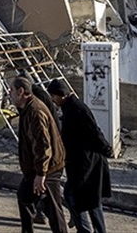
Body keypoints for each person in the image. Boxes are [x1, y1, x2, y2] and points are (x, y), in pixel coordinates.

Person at [46, 79, 111, 233]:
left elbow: (94, 132)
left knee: (74, 196)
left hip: (87, 162)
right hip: (81, 162)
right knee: (90, 200)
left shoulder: (77, 109)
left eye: (54, 97)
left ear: (61, 95)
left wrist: (107, 149)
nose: (53, 101)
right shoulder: (70, 108)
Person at [11, 77, 69, 233]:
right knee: (25, 197)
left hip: (48, 168)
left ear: (21, 91)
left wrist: (41, 174)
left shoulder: (35, 112)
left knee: (53, 209)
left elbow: (43, 146)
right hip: (39, 168)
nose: (9, 95)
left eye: (11, 91)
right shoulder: (27, 108)